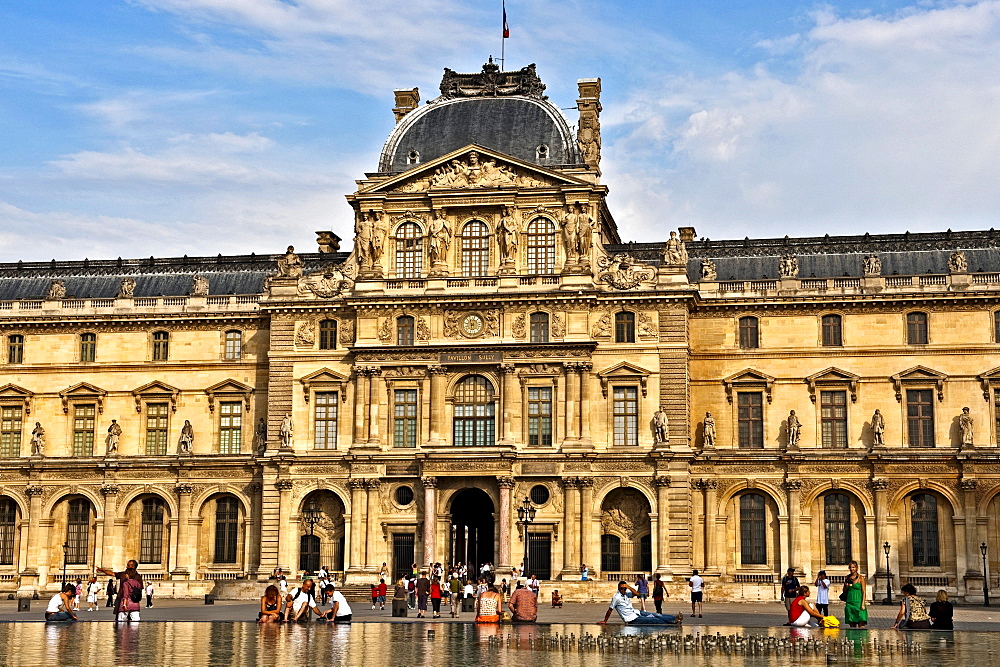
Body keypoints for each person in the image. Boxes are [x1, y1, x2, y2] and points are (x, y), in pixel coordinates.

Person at [599, 581, 682, 626]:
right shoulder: (616, 598)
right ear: (619, 588)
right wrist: (605, 621)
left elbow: (637, 594)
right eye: (622, 588)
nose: (623, 590)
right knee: (653, 620)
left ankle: (674, 618)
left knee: (656, 615)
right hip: (632, 619)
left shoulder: (625, 594)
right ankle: (673, 622)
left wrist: (629, 587)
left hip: (636, 613)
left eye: (624, 589)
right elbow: (610, 609)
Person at [843, 560, 868, 628]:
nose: (852, 569)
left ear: (857, 568)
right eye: (850, 567)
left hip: (858, 602)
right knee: (852, 624)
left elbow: (864, 591)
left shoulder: (861, 578)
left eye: (853, 567)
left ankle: (862, 638)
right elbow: (844, 591)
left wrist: (863, 604)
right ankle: (852, 638)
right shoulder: (847, 577)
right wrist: (846, 586)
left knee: (861, 623)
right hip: (850, 602)